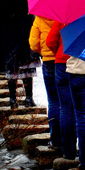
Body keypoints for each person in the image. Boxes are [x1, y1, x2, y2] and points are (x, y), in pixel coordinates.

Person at [46, 22, 77, 162]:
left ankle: (67, 150)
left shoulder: (62, 18)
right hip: (80, 64)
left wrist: (59, 53)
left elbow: (50, 41)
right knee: (81, 110)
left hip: (60, 62)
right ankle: (84, 153)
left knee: (65, 108)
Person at [29, 15, 61, 150]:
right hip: (63, 60)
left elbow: (33, 43)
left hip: (48, 61)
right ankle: (70, 141)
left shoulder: (40, 18)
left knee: (53, 101)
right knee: (66, 104)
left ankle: (55, 140)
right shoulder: (63, 16)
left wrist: (43, 51)